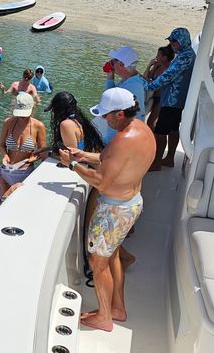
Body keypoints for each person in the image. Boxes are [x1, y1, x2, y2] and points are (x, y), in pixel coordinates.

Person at [59, 88, 156, 332]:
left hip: (114, 211)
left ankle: (104, 316)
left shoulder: (123, 140)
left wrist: (72, 164)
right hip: (131, 202)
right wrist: (84, 155)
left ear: (120, 113)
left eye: (107, 115)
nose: (104, 119)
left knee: (98, 262)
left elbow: (101, 181)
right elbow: (111, 158)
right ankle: (117, 308)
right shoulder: (142, 130)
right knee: (111, 255)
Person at [143, 28, 196, 170]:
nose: (172, 44)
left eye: (174, 41)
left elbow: (168, 76)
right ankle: (169, 159)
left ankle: (156, 163)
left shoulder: (185, 57)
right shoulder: (185, 54)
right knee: (173, 129)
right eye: (170, 41)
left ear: (182, 41)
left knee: (160, 131)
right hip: (177, 100)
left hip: (173, 100)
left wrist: (149, 85)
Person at [0, 92, 47, 196]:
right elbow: (1, 145)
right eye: (19, 114)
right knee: (3, 205)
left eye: (24, 114)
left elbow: (42, 152)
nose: (22, 117)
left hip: (25, 173)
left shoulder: (39, 126)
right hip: (5, 171)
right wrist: (5, 155)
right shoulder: (8, 122)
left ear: (33, 108)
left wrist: (35, 158)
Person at [143, 45, 175, 131]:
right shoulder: (157, 65)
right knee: (143, 119)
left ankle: (153, 142)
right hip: (152, 96)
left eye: (158, 55)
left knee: (151, 122)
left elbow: (153, 84)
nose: (156, 57)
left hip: (162, 99)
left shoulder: (169, 70)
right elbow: (145, 77)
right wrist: (149, 66)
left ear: (164, 57)